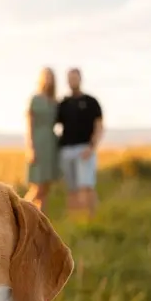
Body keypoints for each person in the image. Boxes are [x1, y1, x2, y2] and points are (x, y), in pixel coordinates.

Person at [56, 68, 103, 218]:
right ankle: (74, 220)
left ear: (80, 79)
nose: (72, 81)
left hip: (85, 149)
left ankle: (94, 218)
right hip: (66, 151)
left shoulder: (91, 102)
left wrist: (92, 147)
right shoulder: (63, 104)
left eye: (75, 78)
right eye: (70, 78)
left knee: (87, 186)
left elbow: (99, 126)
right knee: (72, 189)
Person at [23, 67, 60, 213]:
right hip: (38, 142)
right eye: (46, 76)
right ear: (41, 79)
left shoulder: (54, 102)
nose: (48, 79)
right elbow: (29, 124)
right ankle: (19, 213)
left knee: (45, 187)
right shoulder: (35, 99)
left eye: (51, 77)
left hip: (51, 144)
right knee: (37, 187)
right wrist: (30, 147)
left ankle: (40, 221)